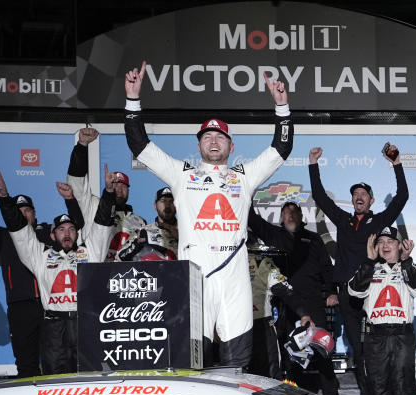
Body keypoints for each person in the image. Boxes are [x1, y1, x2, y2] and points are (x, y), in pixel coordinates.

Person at [123, 61, 293, 369]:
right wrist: (132, 101)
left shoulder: (244, 176)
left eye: (220, 137)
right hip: (195, 278)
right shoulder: (182, 174)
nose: (213, 141)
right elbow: (141, 146)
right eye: (207, 137)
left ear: (231, 145)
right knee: (192, 365)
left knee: (236, 364)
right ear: (199, 144)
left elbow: (280, 148)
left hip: (234, 279)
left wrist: (282, 107)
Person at [308, 143, 406, 395]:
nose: (359, 196)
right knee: (358, 352)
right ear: (352, 201)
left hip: (372, 294)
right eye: (355, 194)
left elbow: (401, 197)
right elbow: (319, 196)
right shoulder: (343, 220)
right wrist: (313, 164)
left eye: (364, 193)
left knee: (375, 350)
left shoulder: (379, 220)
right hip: (346, 296)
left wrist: (396, 164)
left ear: (371, 201)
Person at [0, 172, 113, 374]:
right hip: (53, 327)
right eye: (61, 229)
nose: (67, 233)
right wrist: (5, 200)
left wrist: (109, 193)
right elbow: (21, 232)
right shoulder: (40, 255)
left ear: (78, 234)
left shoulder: (90, 252)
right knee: (54, 379)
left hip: (83, 323)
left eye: (71, 229)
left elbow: (103, 226)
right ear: (52, 235)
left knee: (89, 375)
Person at [247, 201, 339, 395]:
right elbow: (253, 220)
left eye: (294, 212)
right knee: (290, 354)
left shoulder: (313, 239)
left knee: (322, 351)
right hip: (284, 305)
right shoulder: (273, 235)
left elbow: (327, 268)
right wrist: (246, 193)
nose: (290, 216)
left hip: (312, 302)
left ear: (301, 217)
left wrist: (332, 291)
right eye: (286, 213)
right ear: (281, 218)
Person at [348, 227, 416, 395]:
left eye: (390, 241)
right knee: (377, 388)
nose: (385, 245)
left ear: (400, 245)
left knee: (404, 386)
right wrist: (368, 262)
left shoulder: (411, 267)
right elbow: (354, 291)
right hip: (376, 337)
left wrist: (406, 261)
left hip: (402, 336)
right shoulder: (370, 268)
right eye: (381, 242)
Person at [0, 187, 52, 377]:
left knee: (54, 360)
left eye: (27, 211)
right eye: (19, 212)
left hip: (49, 305)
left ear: (34, 214)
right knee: (26, 363)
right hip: (20, 307)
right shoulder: (4, 237)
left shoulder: (47, 233)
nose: (23, 215)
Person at [67, 126, 145, 260]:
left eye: (123, 186)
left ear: (129, 191)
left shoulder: (138, 221)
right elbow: (77, 181)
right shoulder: (92, 205)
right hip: (93, 270)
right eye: (114, 184)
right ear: (108, 185)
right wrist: (82, 146)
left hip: (123, 277)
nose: (119, 189)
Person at [248, 243, 312, 380]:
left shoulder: (261, 262)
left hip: (254, 324)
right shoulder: (260, 262)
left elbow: (285, 290)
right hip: (245, 326)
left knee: (265, 376)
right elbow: (286, 291)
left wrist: (303, 314)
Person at [116, 187, 179, 262]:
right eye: (163, 201)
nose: (167, 205)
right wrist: (137, 244)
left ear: (177, 205)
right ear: (155, 206)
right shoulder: (145, 231)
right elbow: (119, 258)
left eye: (171, 201)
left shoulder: (188, 230)